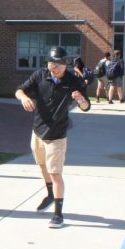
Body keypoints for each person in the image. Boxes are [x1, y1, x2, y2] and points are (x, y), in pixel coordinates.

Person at [15, 46, 91, 228]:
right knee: (43, 167)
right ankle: (49, 194)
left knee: (55, 173)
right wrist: (23, 98)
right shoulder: (40, 75)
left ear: (65, 64)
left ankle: (58, 214)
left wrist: (80, 100)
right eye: (51, 63)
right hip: (37, 132)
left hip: (57, 135)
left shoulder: (74, 81)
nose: (53, 67)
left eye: (57, 64)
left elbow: (86, 106)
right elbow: (19, 90)